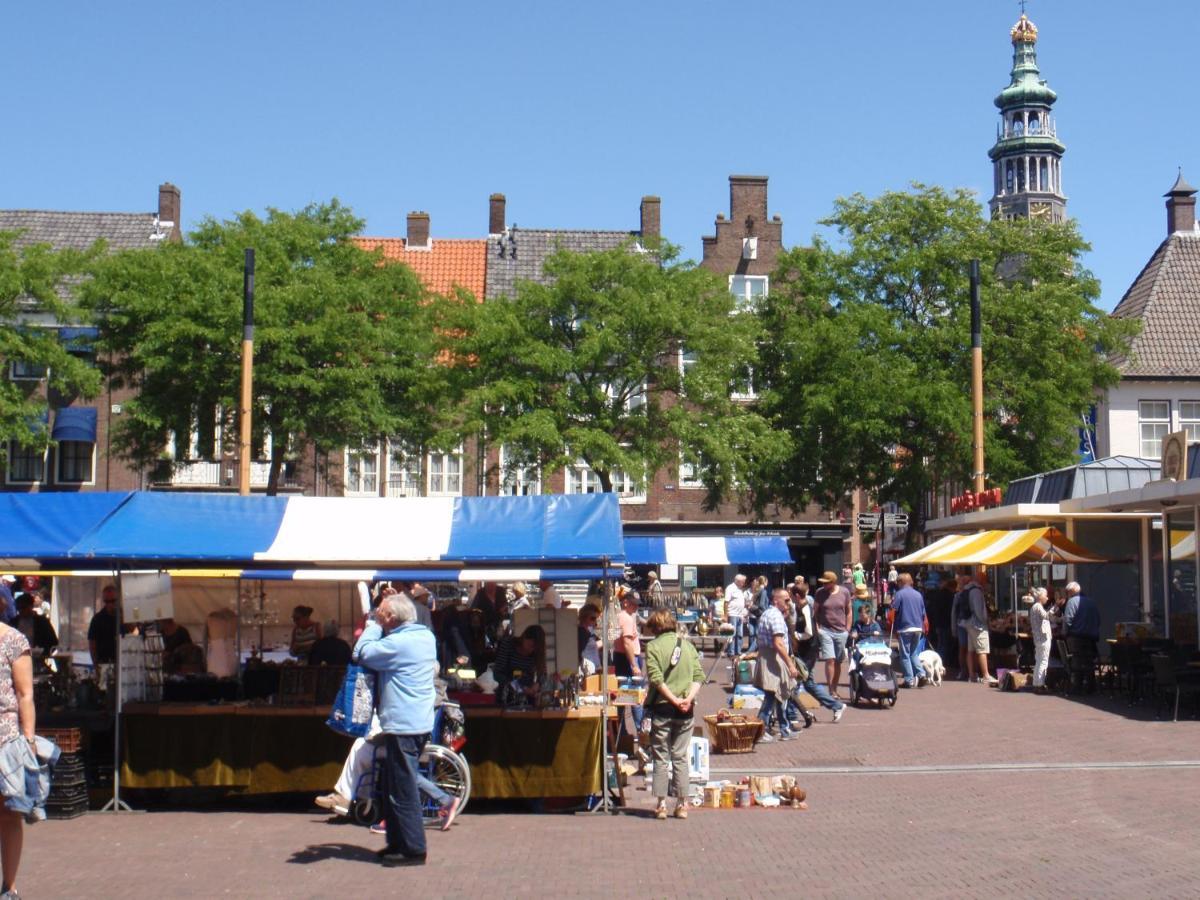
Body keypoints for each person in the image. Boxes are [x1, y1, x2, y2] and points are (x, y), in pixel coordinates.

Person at [353, 594, 437, 867]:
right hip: (416, 721)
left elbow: (361, 652)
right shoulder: (425, 636)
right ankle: (397, 843)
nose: (379, 615)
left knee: (402, 788)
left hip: (404, 725)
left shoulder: (398, 643)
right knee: (392, 783)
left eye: (382, 613)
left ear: (392, 619)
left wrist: (372, 627)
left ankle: (413, 849)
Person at [644, 609, 703, 820]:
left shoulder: (652, 647)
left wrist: (672, 699)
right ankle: (682, 804)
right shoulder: (688, 646)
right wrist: (686, 698)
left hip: (663, 707)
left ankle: (661, 804)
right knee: (680, 757)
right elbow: (698, 676)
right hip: (686, 709)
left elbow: (656, 678)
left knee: (661, 756)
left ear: (656, 628)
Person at [755, 588, 801, 742]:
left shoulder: (768, 613)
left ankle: (784, 729)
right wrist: (790, 664)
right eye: (786, 600)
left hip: (768, 657)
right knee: (772, 694)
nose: (789, 602)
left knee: (780, 694)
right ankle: (759, 730)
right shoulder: (775, 616)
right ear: (776, 601)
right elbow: (778, 644)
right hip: (774, 658)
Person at [813, 570, 853, 699]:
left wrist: (847, 628)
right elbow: (815, 611)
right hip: (826, 630)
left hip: (841, 631)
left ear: (833, 582)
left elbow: (848, 611)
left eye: (827, 583)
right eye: (823, 583)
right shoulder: (820, 593)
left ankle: (834, 687)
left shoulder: (844, 592)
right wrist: (818, 628)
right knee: (829, 659)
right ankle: (831, 690)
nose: (824, 585)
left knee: (838, 661)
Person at [614, 590, 645, 739]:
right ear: (625, 602)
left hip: (624, 658)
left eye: (637, 605)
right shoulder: (625, 618)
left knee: (624, 696)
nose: (636, 607)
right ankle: (641, 732)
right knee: (634, 697)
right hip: (628, 660)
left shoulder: (624, 616)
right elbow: (627, 642)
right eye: (633, 604)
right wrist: (634, 665)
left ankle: (621, 733)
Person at [1062, 581, 1100, 694]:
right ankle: (1091, 686)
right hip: (1090, 637)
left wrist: (1065, 633)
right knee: (1089, 662)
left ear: (1071, 592)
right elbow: (1098, 620)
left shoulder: (1072, 602)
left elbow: (1067, 620)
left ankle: (1077, 686)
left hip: (1076, 636)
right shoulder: (1092, 602)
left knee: (1077, 661)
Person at [959, 570, 996, 685]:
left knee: (971, 650)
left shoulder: (967, 589)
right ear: (981, 580)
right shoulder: (976, 591)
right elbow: (978, 610)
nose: (987, 583)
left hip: (968, 623)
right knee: (982, 649)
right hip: (977, 625)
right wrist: (985, 621)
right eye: (985, 580)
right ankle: (986, 675)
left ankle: (972, 675)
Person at [890, 573, 927, 688]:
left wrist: (893, 625)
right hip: (917, 627)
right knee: (913, 653)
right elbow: (923, 613)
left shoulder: (899, 594)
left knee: (905, 654)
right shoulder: (918, 595)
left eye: (898, 582)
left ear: (901, 582)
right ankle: (921, 674)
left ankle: (909, 680)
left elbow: (893, 610)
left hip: (905, 627)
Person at [493, 625, 547, 691]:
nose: (531, 650)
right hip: (507, 693)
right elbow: (497, 674)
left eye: (535, 647)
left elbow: (543, 674)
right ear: (524, 637)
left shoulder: (537, 652)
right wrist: (519, 688)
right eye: (530, 645)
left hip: (528, 694)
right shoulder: (508, 644)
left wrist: (538, 684)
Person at [1028, 588, 1057, 694]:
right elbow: (1047, 616)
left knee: (1039, 660)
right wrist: (1055, 607)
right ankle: (1040, 684)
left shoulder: (1034, 607)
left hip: (1037, 638)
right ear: (1040, 597)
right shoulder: (1038, 607)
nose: (1047, 598)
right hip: (1043, 638)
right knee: (1043, 661)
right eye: (1046, 595)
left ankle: (1036, 683)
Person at [87, 585, 120, 666]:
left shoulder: (124, 616)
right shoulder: (97, 619)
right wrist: (96, 666)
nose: (110, 604)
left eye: (113, 601)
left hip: (124, 663)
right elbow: (92, 645)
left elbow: (134, 633)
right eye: (107, 601)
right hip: (104, 663)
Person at [723, 574, 748, 657]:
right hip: (732, 614)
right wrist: (725, 615)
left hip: (740, 614)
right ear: (738, 581)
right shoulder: (730, 588)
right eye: (742, 582)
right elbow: (726, 602)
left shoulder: (740, 589)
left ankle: (738, 651)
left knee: (740, 634)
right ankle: (731, 651)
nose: (744, 583)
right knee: (732, 634)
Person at [577, 604, 602, 672]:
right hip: (585, 669)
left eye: (597, 619)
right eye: (593, 618)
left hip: (593, 667)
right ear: (584, 617)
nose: (595, 621)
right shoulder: (581, 632)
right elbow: (579, 651)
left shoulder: (589, 630)